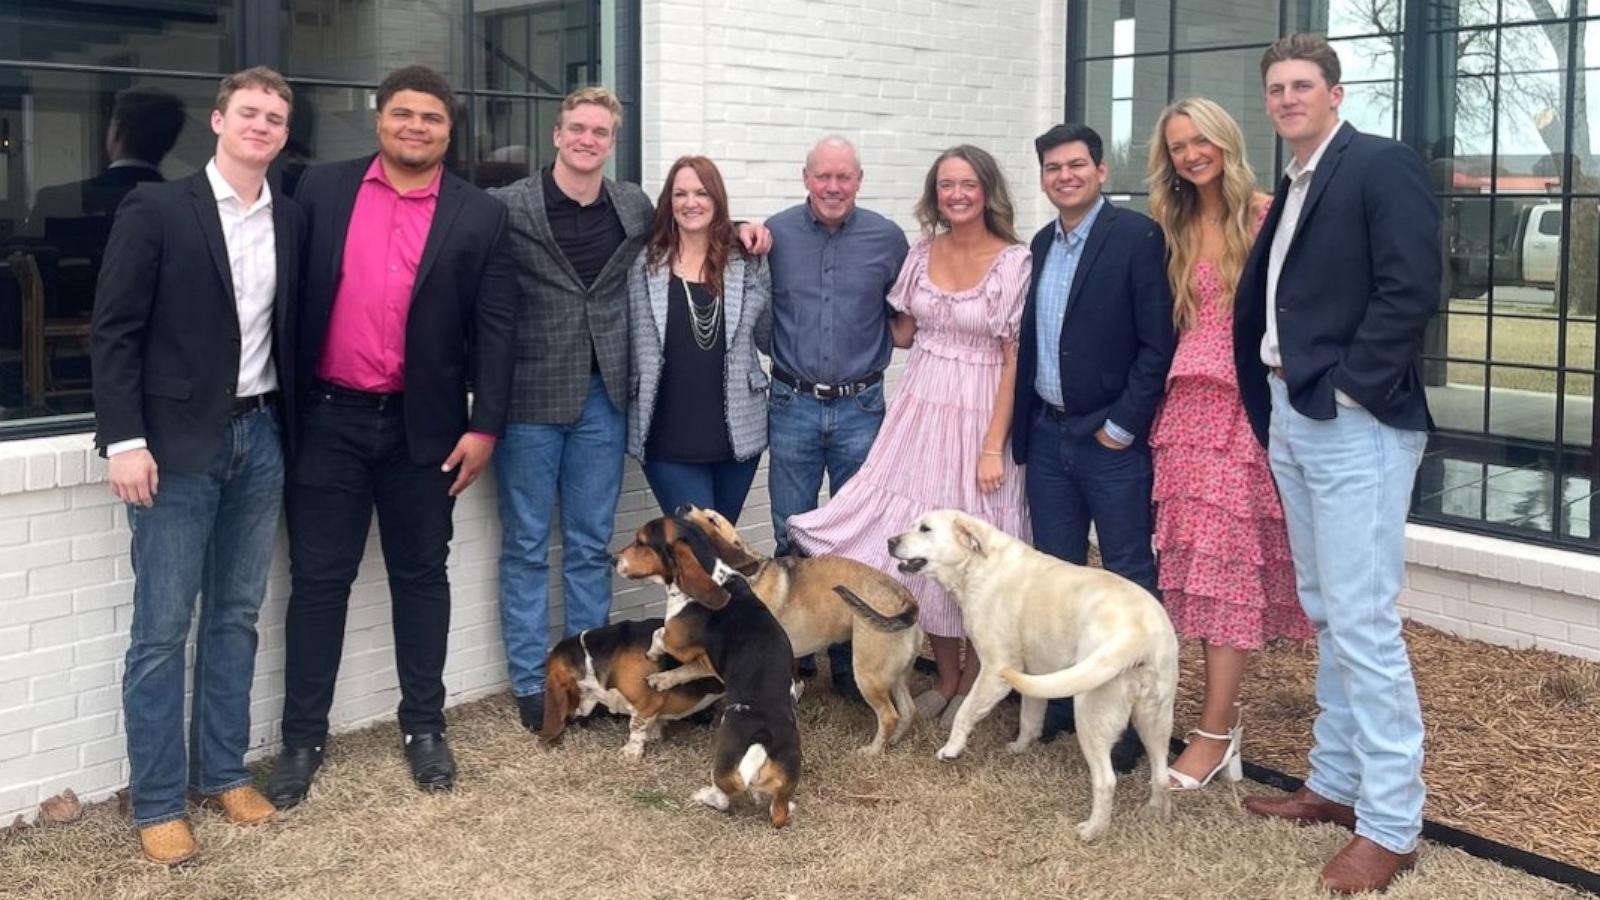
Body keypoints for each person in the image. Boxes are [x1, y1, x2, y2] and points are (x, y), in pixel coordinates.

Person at [266, 65, 516, 807]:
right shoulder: (318, 191)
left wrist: (486, 425)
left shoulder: (479, 215)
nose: (416, 127)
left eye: (431, 119)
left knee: (420, 578)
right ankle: (302, 739)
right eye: (403, 114)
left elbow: (498, 328)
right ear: (380, 120)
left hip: (426, 430)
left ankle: (424, 728)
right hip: (328, 422)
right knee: (317, 584)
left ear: (449, 130)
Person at [489, 87, 769, 728]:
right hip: (531, 396)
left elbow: (699, 223)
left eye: (600, 133)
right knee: (529, 545)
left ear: (612, 142)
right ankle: (537, 681)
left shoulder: (631, 206)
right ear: (557, 135)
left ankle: (591, 673)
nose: (588, 140)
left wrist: (748, 226)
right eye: (577, 130)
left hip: (604, 398)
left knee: (590, 543)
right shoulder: (508, 206)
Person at [1233, 34, 1439, 895]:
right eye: (1276, 88)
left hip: (1353, 421)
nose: (1286, 98)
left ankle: (1391, 824)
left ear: (1335, 93)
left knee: (1361, 617)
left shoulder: (1378, 165)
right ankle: (1335, 783)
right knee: (1326, 607)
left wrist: (1351, 389)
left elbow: (1412, 286)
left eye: (1301, 85)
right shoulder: (1295, 182)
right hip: (1293, 414)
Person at [91, 67, 300, 865]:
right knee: (161, 630)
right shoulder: (156, 208)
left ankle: (221, 769)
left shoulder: (291, 215)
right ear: (218, 121)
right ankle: (154, 800)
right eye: (249, 112)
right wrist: (125, 439)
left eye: (275, 117)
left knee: (236, 617)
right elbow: (113, 331)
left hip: (261, 437)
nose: (262, 125)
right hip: (173, 449)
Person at [788, 144, 1030, 729]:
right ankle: (944, 675)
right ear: (935, 194)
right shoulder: (922, 252)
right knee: (923, 546)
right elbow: (899, 330)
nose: (957, 194)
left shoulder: (1014, 261)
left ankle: (975, 680)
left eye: (968, 184)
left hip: (978, 413)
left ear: (988, 189)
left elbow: (1014, 358)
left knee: (972, 545)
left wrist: (994, 444)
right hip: (921, 411)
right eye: (946, 185)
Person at [1143, 98, 1314, 791]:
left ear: (1225, 139)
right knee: (1193, 567)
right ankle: (1219, 722)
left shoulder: (1266, 215)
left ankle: (1214, 733)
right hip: (1183, 412)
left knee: (1227, 572)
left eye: (1200, 139)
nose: (1191, 154)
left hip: (1244, 408)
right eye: (1178, 146)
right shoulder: (1170, 223)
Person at [1011, 123, 1175, 763]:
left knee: (1129, 574)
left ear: (1100, 171)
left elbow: (1156, 344)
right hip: (1048, 437)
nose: (1065, 176)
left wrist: (1123, 425)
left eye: (1076, 165)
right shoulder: (1042, 243)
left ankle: (1136, 720)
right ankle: (1062, 703)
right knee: (1056, 577)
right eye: (1053, 168)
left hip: (1110, 440)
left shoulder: (1135, 238)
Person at [765, 135, 908, 694]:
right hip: (793, 402)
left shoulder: (888, 239)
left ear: (859, 180)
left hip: (861, 406)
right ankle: (789, 663)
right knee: (792, 532)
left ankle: (852, 666)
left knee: (858, 538)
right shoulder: (774, 236)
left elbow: (907, 314)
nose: (832, 187)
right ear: (805, 178)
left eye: (842, 177)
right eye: (822, 177)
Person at [627, 156, 772, 520]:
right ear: (669, 202)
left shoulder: (748, 261)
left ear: (717, 199)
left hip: (737, 437)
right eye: (680, 194)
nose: (691, 202)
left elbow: (768, 335)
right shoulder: (644, 264)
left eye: (701, 192)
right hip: (667, 438)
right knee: (699, 550)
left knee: (720, 551)